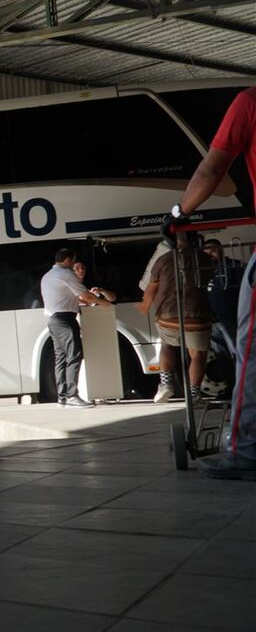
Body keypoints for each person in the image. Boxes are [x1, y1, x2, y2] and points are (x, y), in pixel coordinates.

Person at [162, 85, 256, 480]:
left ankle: (247, 452)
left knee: (251, 356)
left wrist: (179, 212)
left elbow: (211, 169)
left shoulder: (250, 102)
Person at [137, 233, 214, 404]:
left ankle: (166, 385)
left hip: (168, 314)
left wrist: (145, 305)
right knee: (197, 355)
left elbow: (151, 288)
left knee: (167, 346)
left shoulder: (163, 260)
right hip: (197, 315)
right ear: (196, 241)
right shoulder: (205, 259)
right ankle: (194, 394)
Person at [40, 248, 115, 408]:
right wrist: (104, 303)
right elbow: (85, 296)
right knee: (74, 355)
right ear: (67, 260)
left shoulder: (47, 276)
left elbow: (73, 297)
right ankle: (73, 396)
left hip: (53, 320)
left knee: (60, 358)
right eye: (73, 261)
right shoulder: (66, 274)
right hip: (65, 319)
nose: (74, 264)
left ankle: (62, 397)